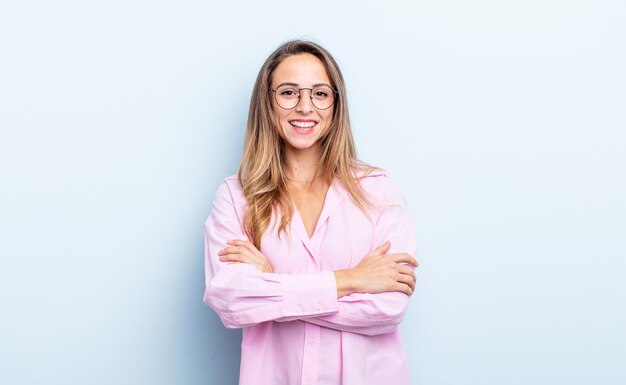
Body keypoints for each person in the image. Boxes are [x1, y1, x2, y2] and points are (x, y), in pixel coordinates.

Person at [203, 39, 419, 385]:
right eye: (289, 93)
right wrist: (351, 280)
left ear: (335, 104)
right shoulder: (236, 196)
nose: (305, 107)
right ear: (267, 103)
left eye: (319, 94)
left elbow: (388, 308)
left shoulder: (377, 190)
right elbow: (231, 300)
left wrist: (272, 284)